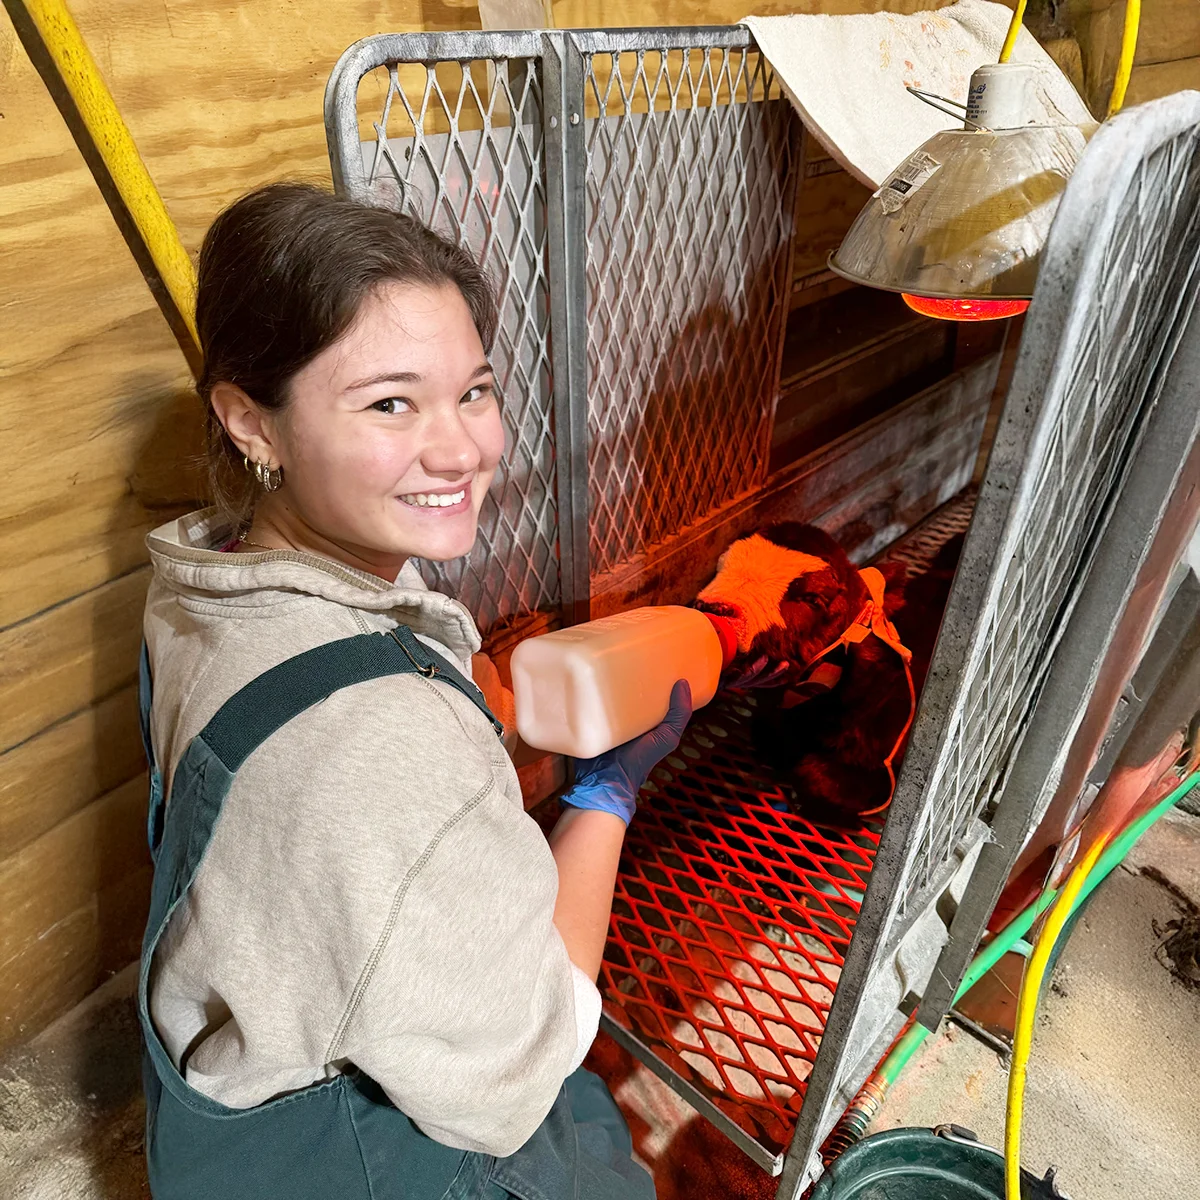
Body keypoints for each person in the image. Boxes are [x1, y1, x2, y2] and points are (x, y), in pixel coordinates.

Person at [137, 182, 692, 1199]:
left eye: (474, 390)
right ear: (249, 421)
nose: (463, 450)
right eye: (391, 402)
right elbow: (527, 1067)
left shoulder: (198, 583)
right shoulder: (384, 749)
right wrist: (605, 799)